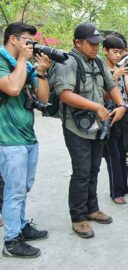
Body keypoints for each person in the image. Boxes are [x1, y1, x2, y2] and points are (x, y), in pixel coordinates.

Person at [54, 22, 126, 238]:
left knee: (94, 169)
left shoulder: (98, 62)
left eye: (97, 44)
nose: (96, 48)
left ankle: (91, 208)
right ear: (78, 42)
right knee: (82, 171)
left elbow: (111, 85)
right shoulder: (68, 62)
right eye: (91, 44)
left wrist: (121, 105)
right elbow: (64, 94)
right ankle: (78, 217)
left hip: (96, 126)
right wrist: (97, 107)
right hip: (75, 127)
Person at [0, 22, 51, 258]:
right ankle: (11, 241)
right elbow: (12, 87)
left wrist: (40, 72)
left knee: (23, 187)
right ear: (13, 39)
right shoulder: (1, 61)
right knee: (14, 190)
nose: (31, 46)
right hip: (8, 139)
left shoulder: (26, 64)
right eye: (27, 41)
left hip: (28, 136)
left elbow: (43, 97)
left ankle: (20, 225)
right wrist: (22, 60)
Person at [102, 34, 128, 204]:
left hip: (125, 115)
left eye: (120, 52)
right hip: (109, 117)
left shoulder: (121, 69)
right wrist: (114, 76)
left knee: (124, 152)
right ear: (105, 51)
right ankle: (116, 192)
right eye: (115, 52)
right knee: (113, 155)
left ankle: (124, 186)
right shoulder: (101, 70)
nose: (118, 55)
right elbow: (103, 96)